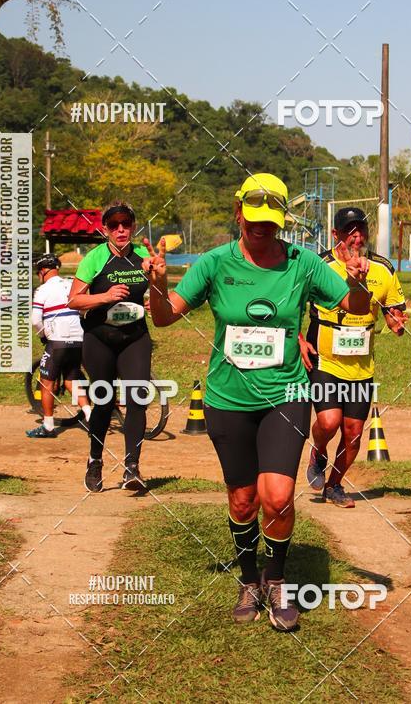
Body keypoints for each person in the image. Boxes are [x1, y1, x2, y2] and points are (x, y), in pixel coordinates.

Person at [145, 173, 371, 631]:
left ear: (282, 219)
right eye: (254, 219)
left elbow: (357, 306)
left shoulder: (303, 263)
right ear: (239, 211)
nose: (263, 228)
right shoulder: (213, 263)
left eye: (271, 221)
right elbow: (166, 316)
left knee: (279, 495)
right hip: (228, 399)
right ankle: (249, 578)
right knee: (244, 499)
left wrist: (357, 280)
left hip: (286, 395)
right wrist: (157, 284)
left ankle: (278, 578)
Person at [303, 206, 408, 507]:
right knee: (328, 421)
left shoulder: (383, 269)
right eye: (349, 231)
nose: (356, 235)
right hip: (325, 358)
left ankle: (334, 485)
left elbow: (393, 310)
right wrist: (297, 337)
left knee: (353, 434)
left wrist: (395, 321)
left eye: (360, 229)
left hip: (362, 366)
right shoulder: (319, 266)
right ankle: (318, 451)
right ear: (336, 235)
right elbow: (294, 302)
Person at [68, 200, 151, 493]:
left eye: (126, 224)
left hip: (135, 337)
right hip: (99, 338)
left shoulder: (143, 256)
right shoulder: (95, 258)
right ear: (105, 229)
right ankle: (95, 460)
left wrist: (157, 284)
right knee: (103, 399)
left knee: (138, 397)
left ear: (133, 226)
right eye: (114, 225)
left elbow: (156, 291)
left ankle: (132, 467)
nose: (120, 230)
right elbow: (74, 300)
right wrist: (105, 297)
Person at [27, 254, 89, 438]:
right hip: (78, 340)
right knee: (71, 381)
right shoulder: (72, 284)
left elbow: (36, 320)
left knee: (47, 384)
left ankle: (48, 426)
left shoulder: (42, 290)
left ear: (44, 271)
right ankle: (90, 416)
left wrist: (43, 335)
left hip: (57, 341)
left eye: (39, 273)